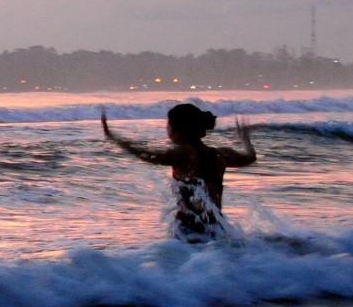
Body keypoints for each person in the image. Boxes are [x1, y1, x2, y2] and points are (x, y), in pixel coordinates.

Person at [101, 102, 257, 241]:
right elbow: (250, 157)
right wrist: (245, 140)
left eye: (168, 125)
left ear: (178, 130)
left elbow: (146, 154)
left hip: (188, 232)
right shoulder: (221, 154)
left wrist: (114, 137)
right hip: (215, 230)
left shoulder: (181, 154)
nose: (167, 130)